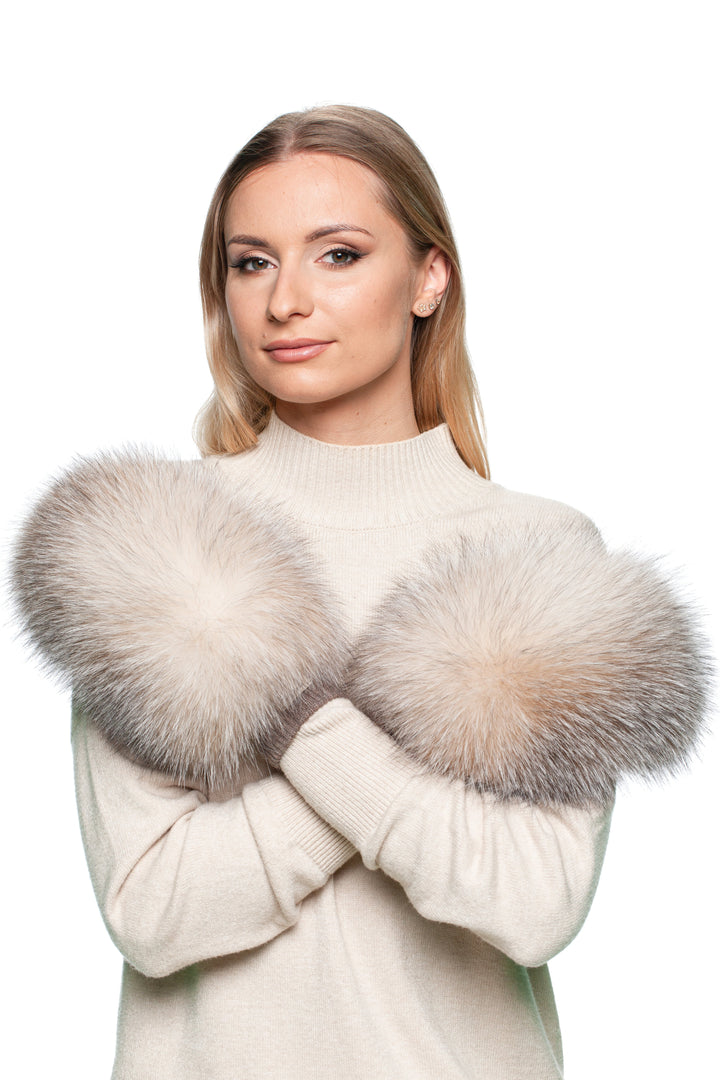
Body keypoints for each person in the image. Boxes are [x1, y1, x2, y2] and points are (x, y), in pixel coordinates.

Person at [10, 105, 709, 1079]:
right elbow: (154, 911)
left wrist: (302, 726)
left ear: (429, 278)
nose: (285, 300)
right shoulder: (154, 541)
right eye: (251, 262)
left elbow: (533, 904)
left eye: (337, 254)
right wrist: (407, 743)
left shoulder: (536, 553)